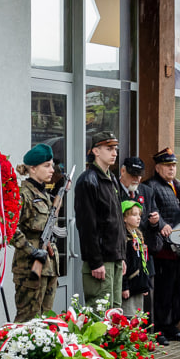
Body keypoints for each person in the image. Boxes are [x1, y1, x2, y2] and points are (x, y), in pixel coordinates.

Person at [74, 131, 127, 309]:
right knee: (100, 313)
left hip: (114, 256)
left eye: (116, 149)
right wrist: (95, 261)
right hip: (101, 260)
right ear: (96, 151)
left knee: (115, 313)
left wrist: (121, 255)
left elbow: (116, 220)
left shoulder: (111, 178)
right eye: (109, 148)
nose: (115, 153)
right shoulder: (88, 180)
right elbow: (87, 225)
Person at [144, 148, 180, 342]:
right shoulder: (151, 186)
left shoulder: (178, 185)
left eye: (173, 165)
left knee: (176, 290)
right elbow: (151, 212)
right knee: (162, 292)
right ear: (157, 167)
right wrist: (162, 224)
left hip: (178, 249)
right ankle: (160, 329)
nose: (171, 169)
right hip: (162, 248)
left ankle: (172, 326)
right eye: (167, 166)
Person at [9, 144, 60, 322]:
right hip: (29, 266)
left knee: (46, 321)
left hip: (48, 266)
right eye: (46, 166)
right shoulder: (23, 194)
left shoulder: (44, 194)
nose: (51, 170)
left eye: (52, 165)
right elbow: (10, 228)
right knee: (27, 322)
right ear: (33, 168)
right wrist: (31, 250)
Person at [117, 157, 163, 343]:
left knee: (145, 302)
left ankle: (146, 340)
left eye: (139, 176)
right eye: (132, 175)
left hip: (143, 252)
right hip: (125, 252)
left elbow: (154, 218)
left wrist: (155, 222)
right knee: (127, 307)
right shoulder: (115, 190)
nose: (136, 179)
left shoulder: (146, 191)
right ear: (123, 171)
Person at [121, 200, 151, 317]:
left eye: (139, 215)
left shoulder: (137, 237)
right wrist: (124, 287)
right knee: (128, 316)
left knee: (138, 317)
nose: (138, 218)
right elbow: (123, 266)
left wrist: (145, 285)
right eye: (134, 215)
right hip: (129, 288)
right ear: (124, 218)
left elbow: (142, 264)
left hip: (138, 286)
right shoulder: (125, 239)